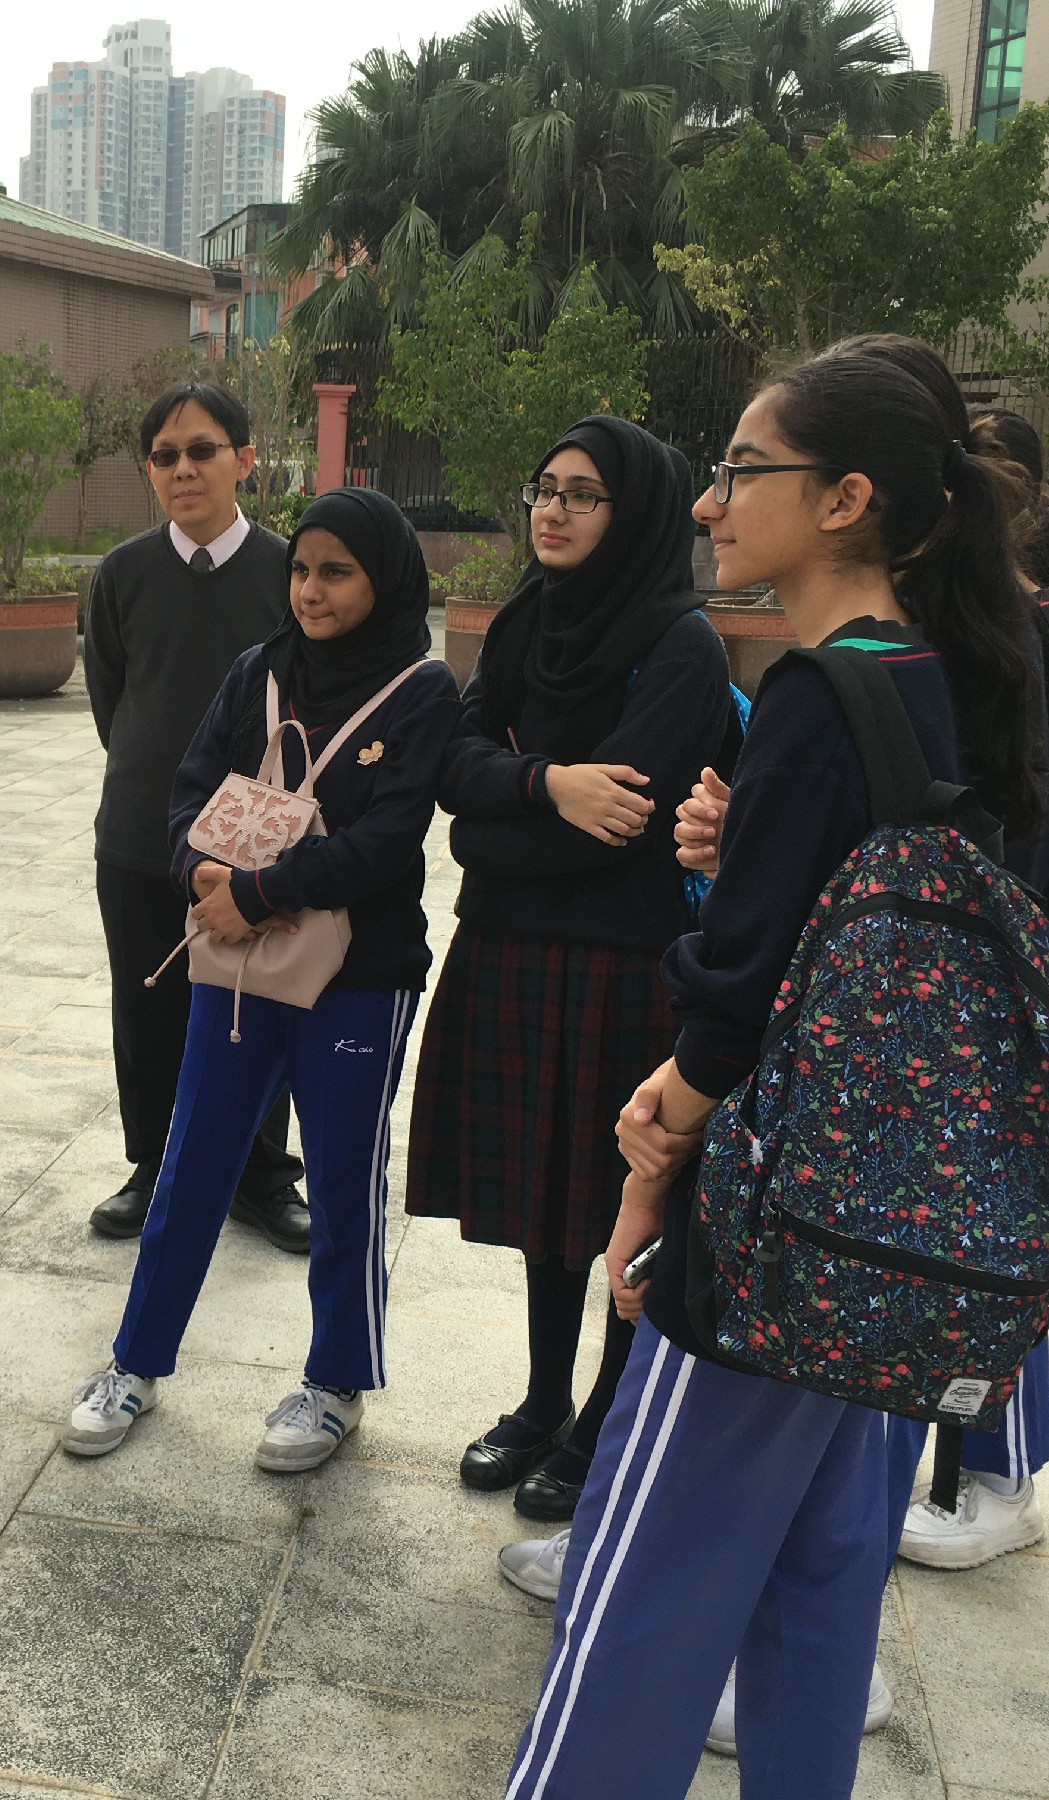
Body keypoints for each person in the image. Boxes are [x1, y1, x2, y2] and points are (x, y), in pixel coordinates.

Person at [504, 344, 1045, 1799]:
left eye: (744, 471)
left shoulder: (817, 691)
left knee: (640, 1580)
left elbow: (741, 1001)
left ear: (847, 499)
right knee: (823, 1576)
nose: (710, 502)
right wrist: (744, 847)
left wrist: (656, 1141)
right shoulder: (951, 673)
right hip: (892, 1220)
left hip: (774, 1217)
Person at [64, 487, 460, 1472]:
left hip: (358, 978)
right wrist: (200, 872)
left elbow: (387, 840)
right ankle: (134, 1361)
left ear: (384, 581)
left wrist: (260, 890)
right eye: (301, 571)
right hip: (236, 967)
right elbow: (189, 787)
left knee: (341, 1177)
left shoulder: (421, 690)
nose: (311, 591)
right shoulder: (259, 670)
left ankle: (335, 1384)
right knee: (191, 1160)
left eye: (337, 573)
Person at [406, 416, 730, 1524]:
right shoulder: (526, 619)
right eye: (544, 487)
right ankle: (546, 1397)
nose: (552, 509)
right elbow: (452, 766)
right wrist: (544, 787)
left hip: (622, 965)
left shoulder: (682, 645)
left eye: (582, 494)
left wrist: (490, 823)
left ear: (632, 512)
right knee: (542, 1199)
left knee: (618, 1199)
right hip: (509, 946)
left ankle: (605, 1416)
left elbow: (626, 822)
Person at [84, 382, 307, 1253]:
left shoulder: (288, 573)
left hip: (257, 841)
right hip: (142, 834)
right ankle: (153, 1165)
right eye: (165, 455)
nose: (183, 469)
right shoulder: (122, 574)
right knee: (147, 1009)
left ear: (244, 460)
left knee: (258, 1002)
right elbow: (114, 701)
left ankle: (260, 1175)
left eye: (202, 450)